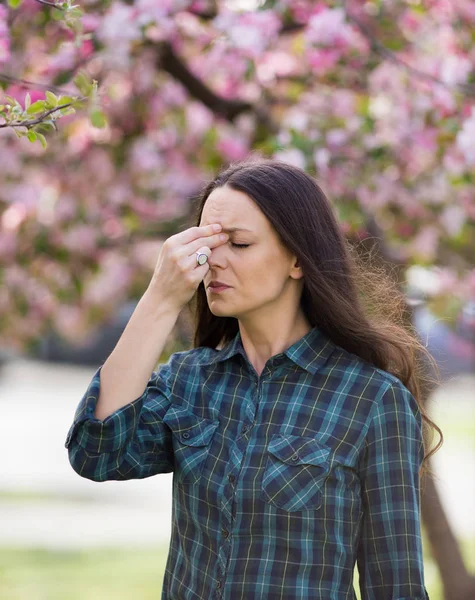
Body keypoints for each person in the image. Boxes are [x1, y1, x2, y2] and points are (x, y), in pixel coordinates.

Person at [65, 158, 442, 599]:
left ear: (297, 260)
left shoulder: (372, 400)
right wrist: (160, 300)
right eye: (206, 244)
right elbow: (96, 452)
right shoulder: (189, 381)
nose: (212, 263)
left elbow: (396, 587)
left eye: (239, 244)